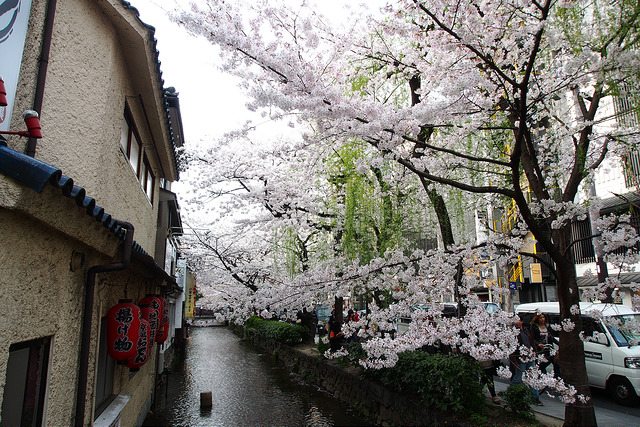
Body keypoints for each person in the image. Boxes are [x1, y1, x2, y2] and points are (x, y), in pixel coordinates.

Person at [510, 316, 543, 406]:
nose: (517, 322)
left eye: (518, 320)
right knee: (518, 378)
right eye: (515, 320)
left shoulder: (526, 330)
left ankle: (535, 397)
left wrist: (534, 351)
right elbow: (511, 348)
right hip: (520, 358)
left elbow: (531, 342)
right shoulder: (512, 333)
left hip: (530, 356)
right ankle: (512, 394)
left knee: (532, 377)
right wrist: (514, 360)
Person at [530, 313, 561, 378]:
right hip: (541, 351)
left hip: (549, 348)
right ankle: (542, 377)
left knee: (556, 363)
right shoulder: (534, 327)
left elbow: (551, 338)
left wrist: (559, 344)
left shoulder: (547, 326)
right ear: (537, 319)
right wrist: (538, 344)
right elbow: (532, 339)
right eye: (540, 318)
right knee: (542, 365)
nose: (542, 319)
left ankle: (557, 378)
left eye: (543, 317)